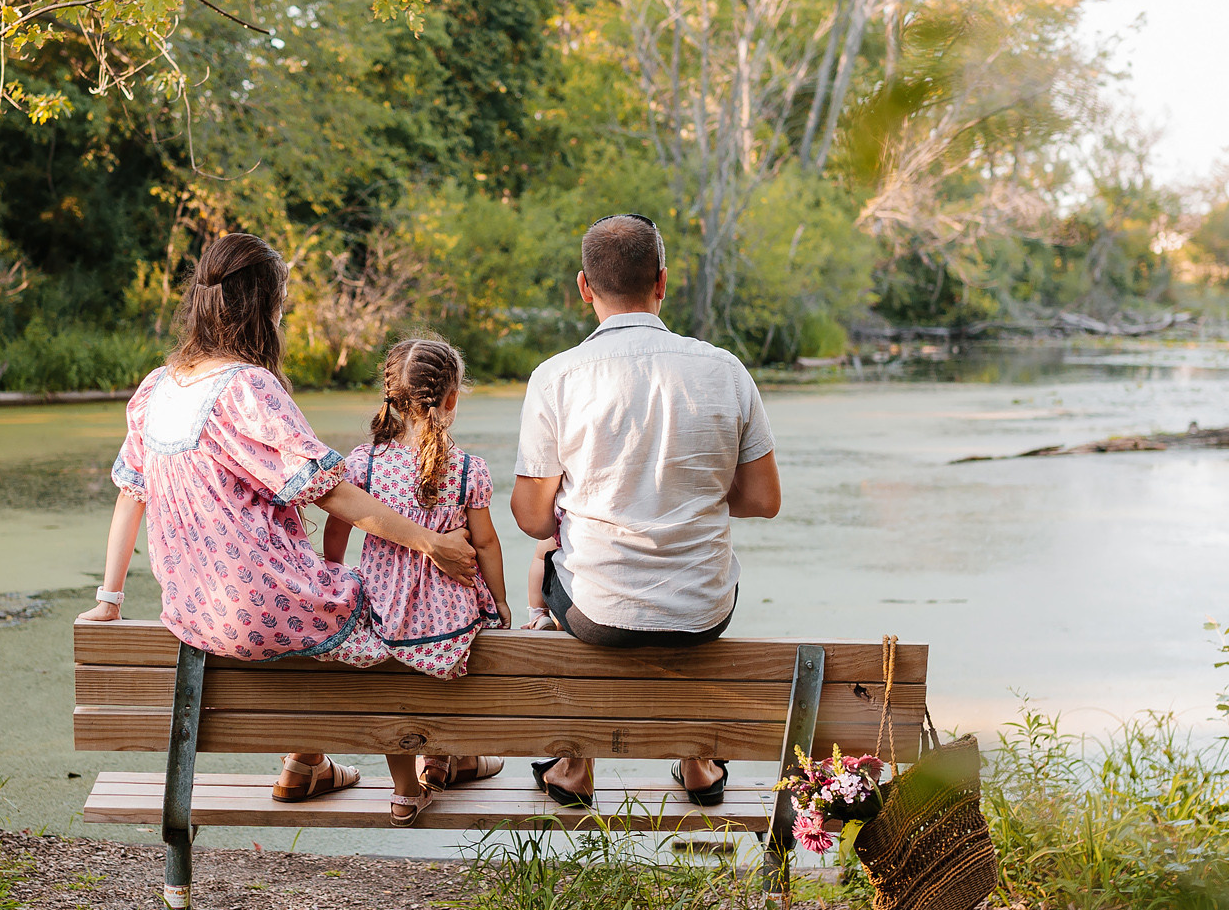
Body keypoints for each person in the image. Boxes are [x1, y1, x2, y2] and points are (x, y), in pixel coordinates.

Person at [83, 232, 480, 804]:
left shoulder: (155, 389)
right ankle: (448, 753)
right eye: (281, 303)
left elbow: (131, 494)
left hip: (195, 611)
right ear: (262, 308)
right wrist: (428, 543)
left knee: (333, 603)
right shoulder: (248, 388)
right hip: (265, 603)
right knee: (398, 608)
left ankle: (308, 759)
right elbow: (331, 492)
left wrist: (110, 599)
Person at [509, 213, 783, 808]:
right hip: (703, 613)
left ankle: (574, 764)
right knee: (687, 586)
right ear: (663, 282)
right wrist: (699, 489)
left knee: (555, 566)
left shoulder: (556, 378)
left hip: (596, 617)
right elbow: (763, 499)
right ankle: (698, 760)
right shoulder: (724, 369)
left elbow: (532, 519)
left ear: (584, 287)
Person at [321, 337, 512, 824]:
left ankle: (406, 791)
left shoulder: (363, 463)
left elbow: (338, 528)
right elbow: (487, 545)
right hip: (448, 624)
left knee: (393, 687)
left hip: (383, 616)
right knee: (471, 640)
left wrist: (338, 574)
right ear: (451, 400)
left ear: (390, 397)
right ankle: (447, 758)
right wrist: (502, 604)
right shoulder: (468, 469)